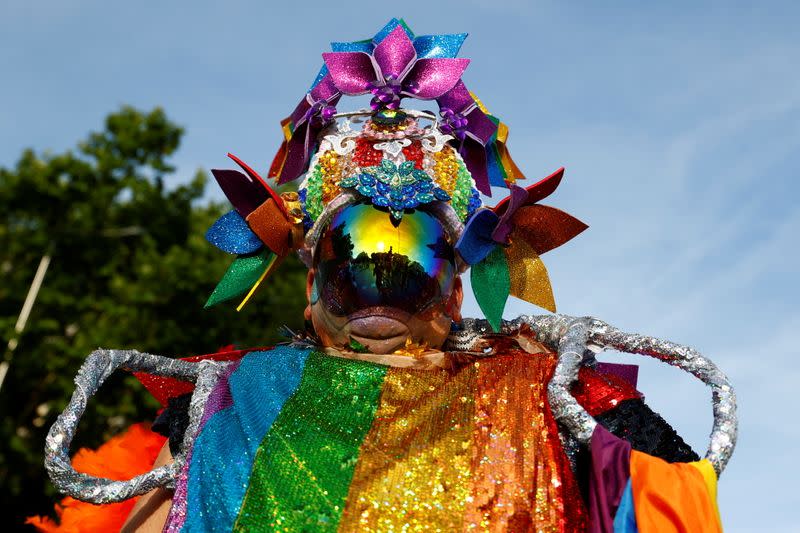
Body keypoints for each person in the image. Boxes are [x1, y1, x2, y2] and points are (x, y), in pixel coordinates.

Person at [43, 19, 737, 533]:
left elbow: (669, 496)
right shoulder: (228, 403)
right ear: (310, 277)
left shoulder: (549, 393)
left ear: (458, 283)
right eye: (357, 256)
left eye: (412, 261)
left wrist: (570, 402)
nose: (381, 285)